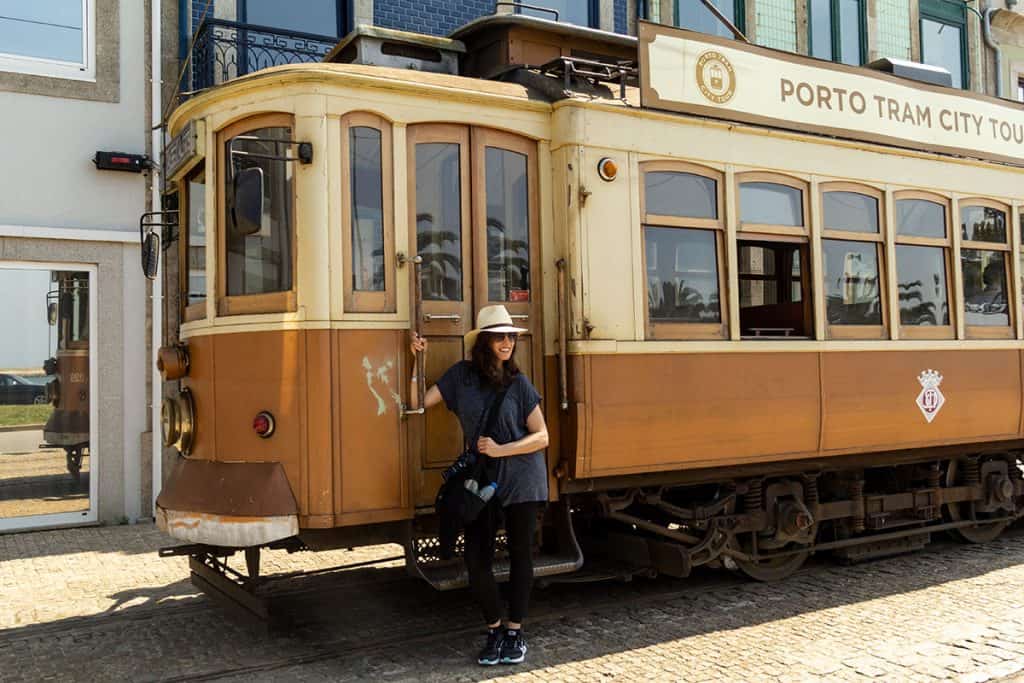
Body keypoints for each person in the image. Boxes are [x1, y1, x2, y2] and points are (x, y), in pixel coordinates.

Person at [409, 304, 549, 666]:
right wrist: (416, 361)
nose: (507, 343)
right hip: (482, 483)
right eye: (500, 337)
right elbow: (418, 404)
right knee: (476, 559)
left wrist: (504, 449)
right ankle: (494, 629)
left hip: (520, 478)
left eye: (510, 337)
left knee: (520, 556)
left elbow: (542, 436)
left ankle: (515, 633)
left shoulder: (519, 384)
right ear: (484, 341)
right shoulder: (461, 377)